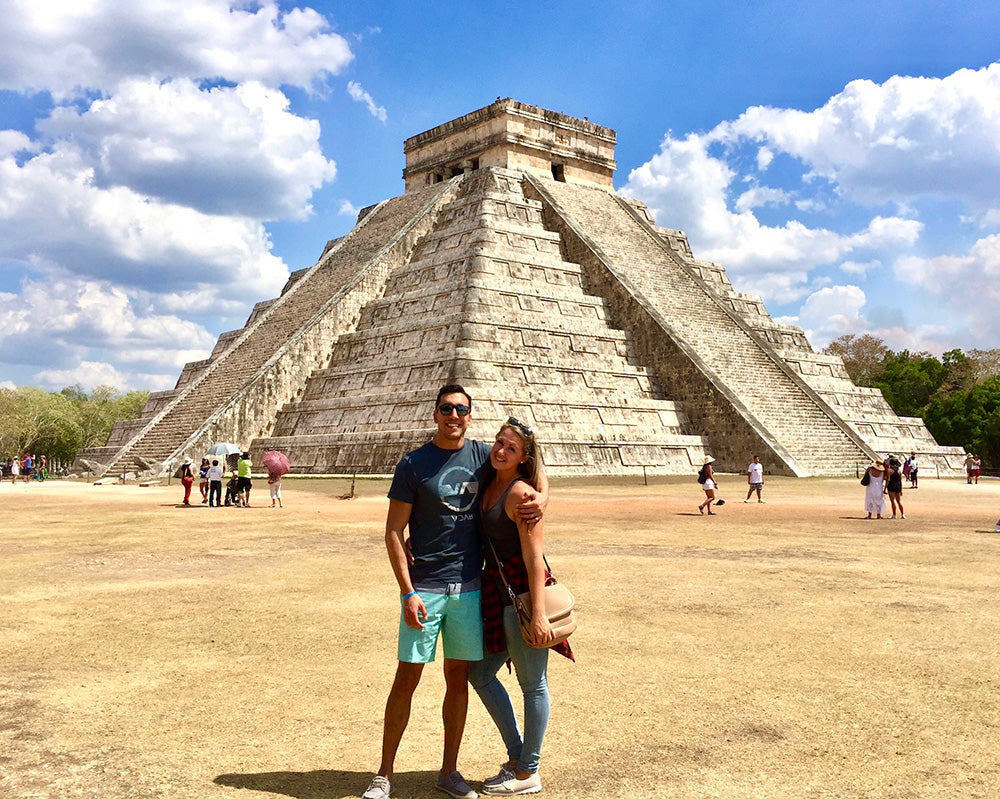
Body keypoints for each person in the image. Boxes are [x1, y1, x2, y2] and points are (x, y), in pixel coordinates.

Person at [362, 385, 548, 799]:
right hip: (424, 589)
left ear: (469, 416)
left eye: (461, 409)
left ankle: (449, 772)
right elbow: (393, 531)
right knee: (406, 678)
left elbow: (529, 464)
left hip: (468, 590)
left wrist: (543, 497)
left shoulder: (485, 454)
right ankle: (384, 775)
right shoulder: (413, 464)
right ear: (435, 414)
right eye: (446, 408)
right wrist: (407, 592)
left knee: (459, 679)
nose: (454, 415)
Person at [468, 418, 570, 797]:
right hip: (497, 594)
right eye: (499, 442)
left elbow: (534, 560)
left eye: (511, 448)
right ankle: (517, 755)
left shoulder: (519, 495)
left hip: (523, 596)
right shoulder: (490, 481)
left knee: (533, 684)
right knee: (478, 674)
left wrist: (539, 614)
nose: (500, 450)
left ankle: (528, 771)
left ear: (523, 458)